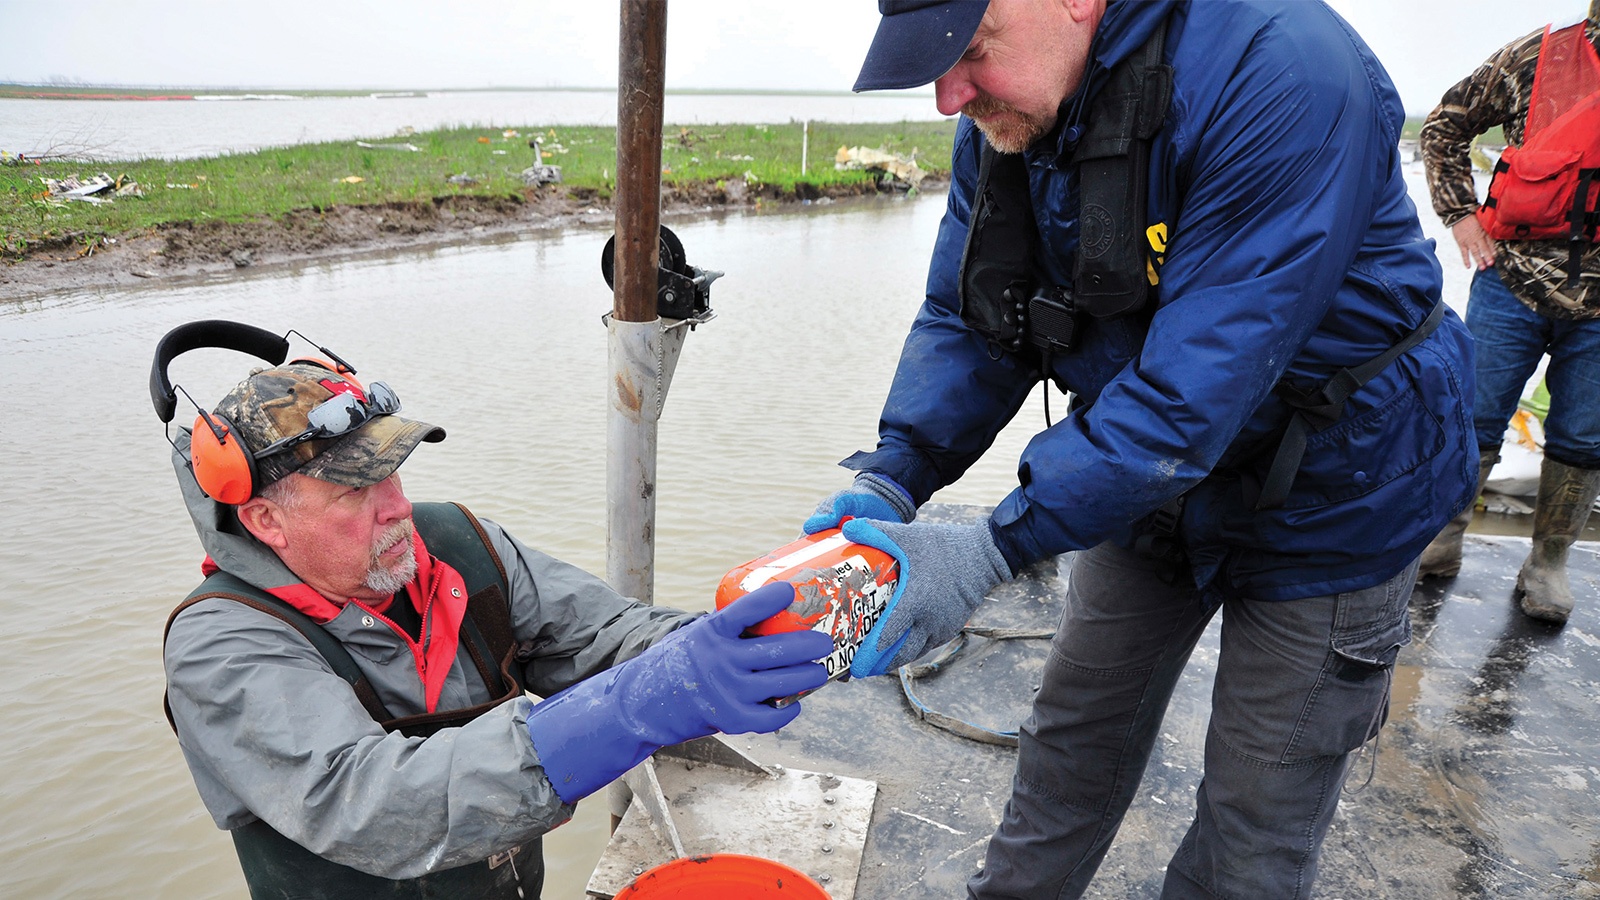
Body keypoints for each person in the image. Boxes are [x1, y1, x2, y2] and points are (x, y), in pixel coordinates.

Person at [808, 1, 1476, 897]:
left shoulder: (1284, 72)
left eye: (969, 51)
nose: (946, 96)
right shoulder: (1013, 112)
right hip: (1147, 480)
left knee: (1254, 819)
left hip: (1335, 487)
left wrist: (990, 547)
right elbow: (975, 315)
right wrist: (898, 472)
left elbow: (1193, 392)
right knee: (1073, 734)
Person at [155, 324, 832, 899]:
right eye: (355, 491)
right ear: (267, 519)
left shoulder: (459, 546)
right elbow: (373, 805)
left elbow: (605, 635)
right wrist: (627, 711)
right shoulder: (221, 646)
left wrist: (732, 641)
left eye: (392, 470)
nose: (396, 507)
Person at [1417, 3, 1600, 623]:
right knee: (1473, 415)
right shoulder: (1539, 54)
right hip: (1511, 281)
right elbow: (1444, 124)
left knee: (1583, 438)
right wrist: (1460, 215)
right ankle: (1440, 539)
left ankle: (1548, 562)